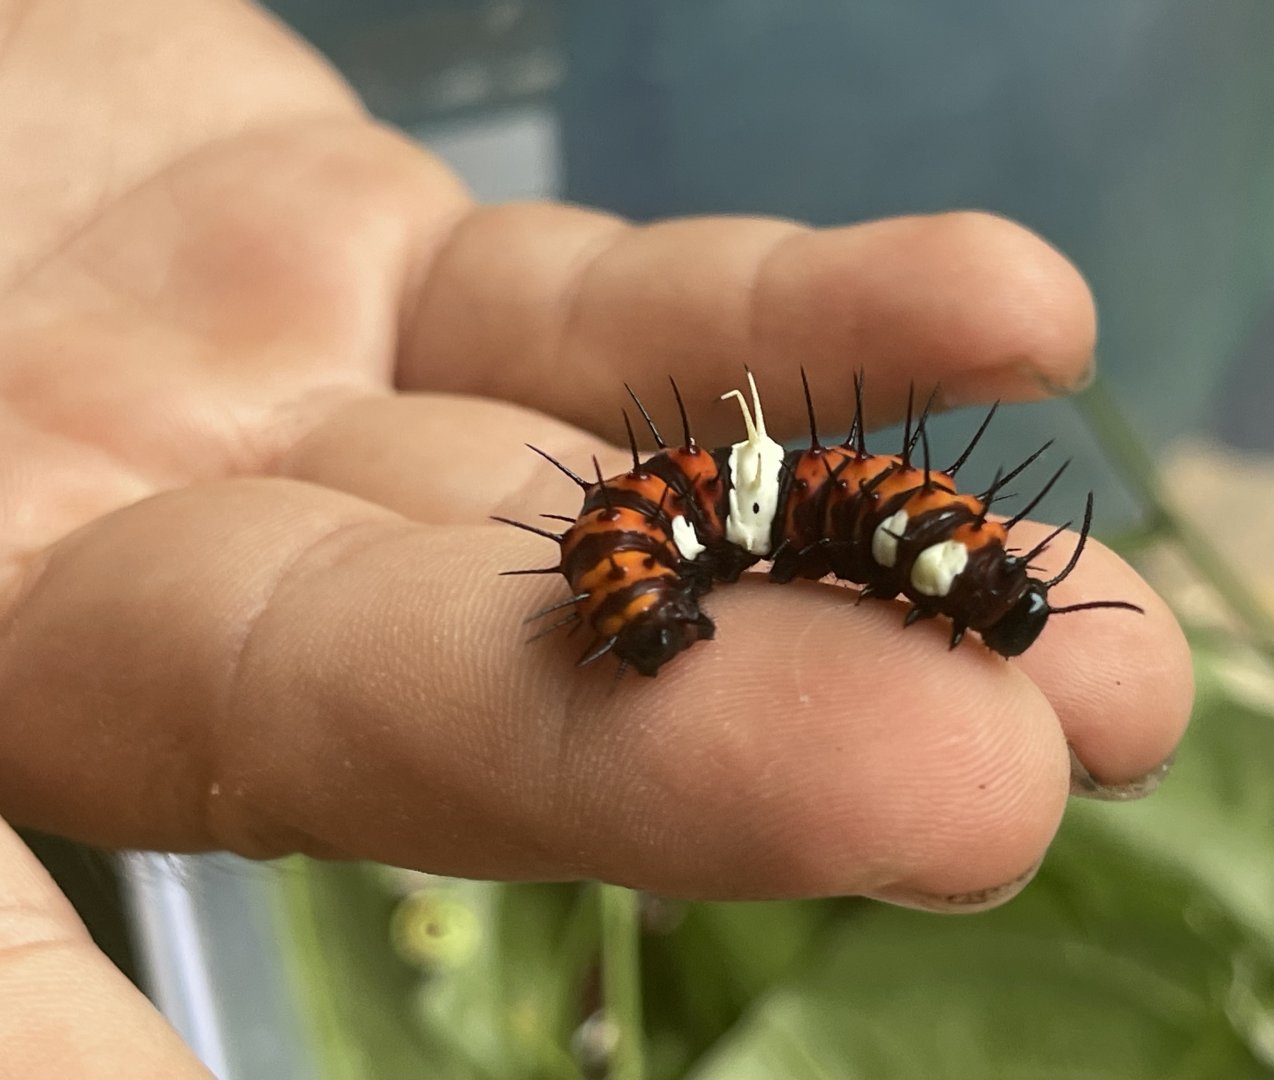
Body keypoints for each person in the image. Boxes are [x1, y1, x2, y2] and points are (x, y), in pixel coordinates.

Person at [0, 0, 1191, 1073]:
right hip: (682, 515)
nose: (660, 633)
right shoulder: (714, 539)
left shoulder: (852, 534)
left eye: (639, 614)